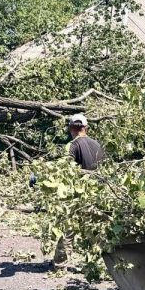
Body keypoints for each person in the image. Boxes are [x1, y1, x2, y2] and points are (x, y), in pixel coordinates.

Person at [52, 114, 106, 267]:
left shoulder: (73, 145)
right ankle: (103, 264)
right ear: (86, 128)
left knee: (68, 228)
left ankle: (61, 263)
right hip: (99, 193)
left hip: (79, 195)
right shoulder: (97, 144)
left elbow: (66, 170)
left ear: (71, 129)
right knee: (98, 229)